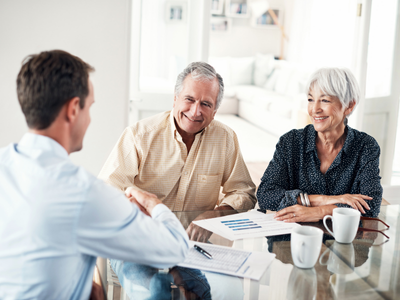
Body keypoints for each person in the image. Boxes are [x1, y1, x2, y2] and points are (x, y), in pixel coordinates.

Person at [0, 50, 189, 300]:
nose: (89, 119)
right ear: (73, 109)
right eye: (89, 107)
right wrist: (154, 205)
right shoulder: (83, 193)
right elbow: (175, 247)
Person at [98, 61, 256, 239]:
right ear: (175, 98)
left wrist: (214, 215)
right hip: (139, 239)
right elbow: (106, 189)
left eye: (206, 104)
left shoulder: (225, 138)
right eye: (189, 99)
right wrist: (135, 209)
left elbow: (244, 192)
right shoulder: (139, 135)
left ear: (215, 111)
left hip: (193, 245)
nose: (195, 111)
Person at [257, 67, 382, 222]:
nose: (314, 109)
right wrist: (323, 200)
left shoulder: (365, 146)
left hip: (343, 241)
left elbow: (371, 205)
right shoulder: (290, 142)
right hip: (292, 238)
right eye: (310, 99)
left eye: (324, 100)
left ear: (349, 105)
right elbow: (265, 195)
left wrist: (318, 212)